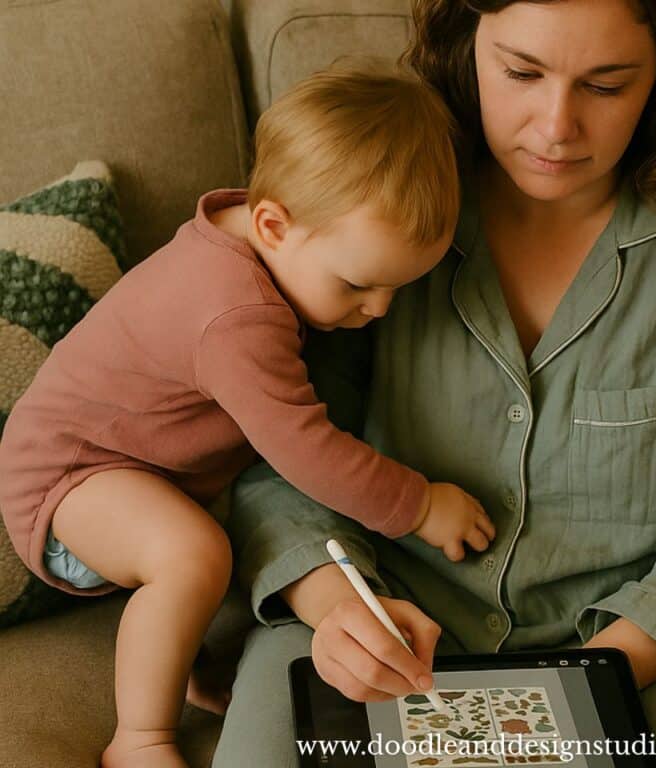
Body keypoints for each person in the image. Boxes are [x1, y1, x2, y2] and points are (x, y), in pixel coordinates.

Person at [213, 0, 656, 765]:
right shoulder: (371, 186)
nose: (554, 127)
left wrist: (589, 682)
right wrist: (338, 604)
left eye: (606, 86)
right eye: (519, 72)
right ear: (465, 45)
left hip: (651, 634)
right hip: (387, 605)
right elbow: (276, 456)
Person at [0, 61, 497, 768]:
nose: (379, 310)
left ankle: (183, 658)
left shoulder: (254, 230)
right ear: (273, 222)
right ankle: (138, 738)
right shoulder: (237, 314)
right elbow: (307, 451)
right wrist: (418, 505)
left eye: (396, 289)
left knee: (206, 543)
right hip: (69, 477)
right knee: (193, 554)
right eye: (359, 284)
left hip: (134, 462)